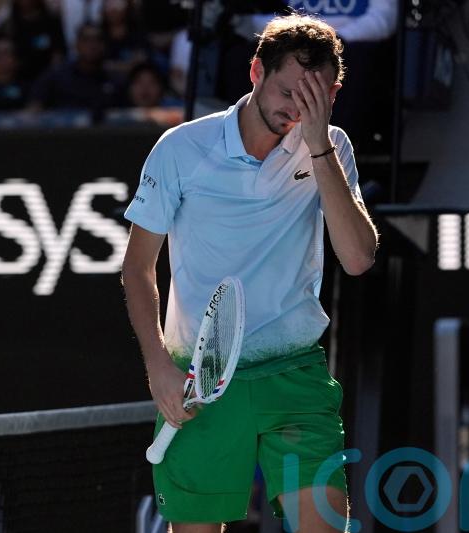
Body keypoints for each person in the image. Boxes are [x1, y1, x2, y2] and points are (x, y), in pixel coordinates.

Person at [122, 13, 378, 532]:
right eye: (288, 91)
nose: (296, 108)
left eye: (314, 96)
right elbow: (136, 268)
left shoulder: (332, 145)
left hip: (296, 377)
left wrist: (319, 143)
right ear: (256, 72)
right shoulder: (180, 149)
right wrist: (158, 367)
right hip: (199, 383)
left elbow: (357, 259)